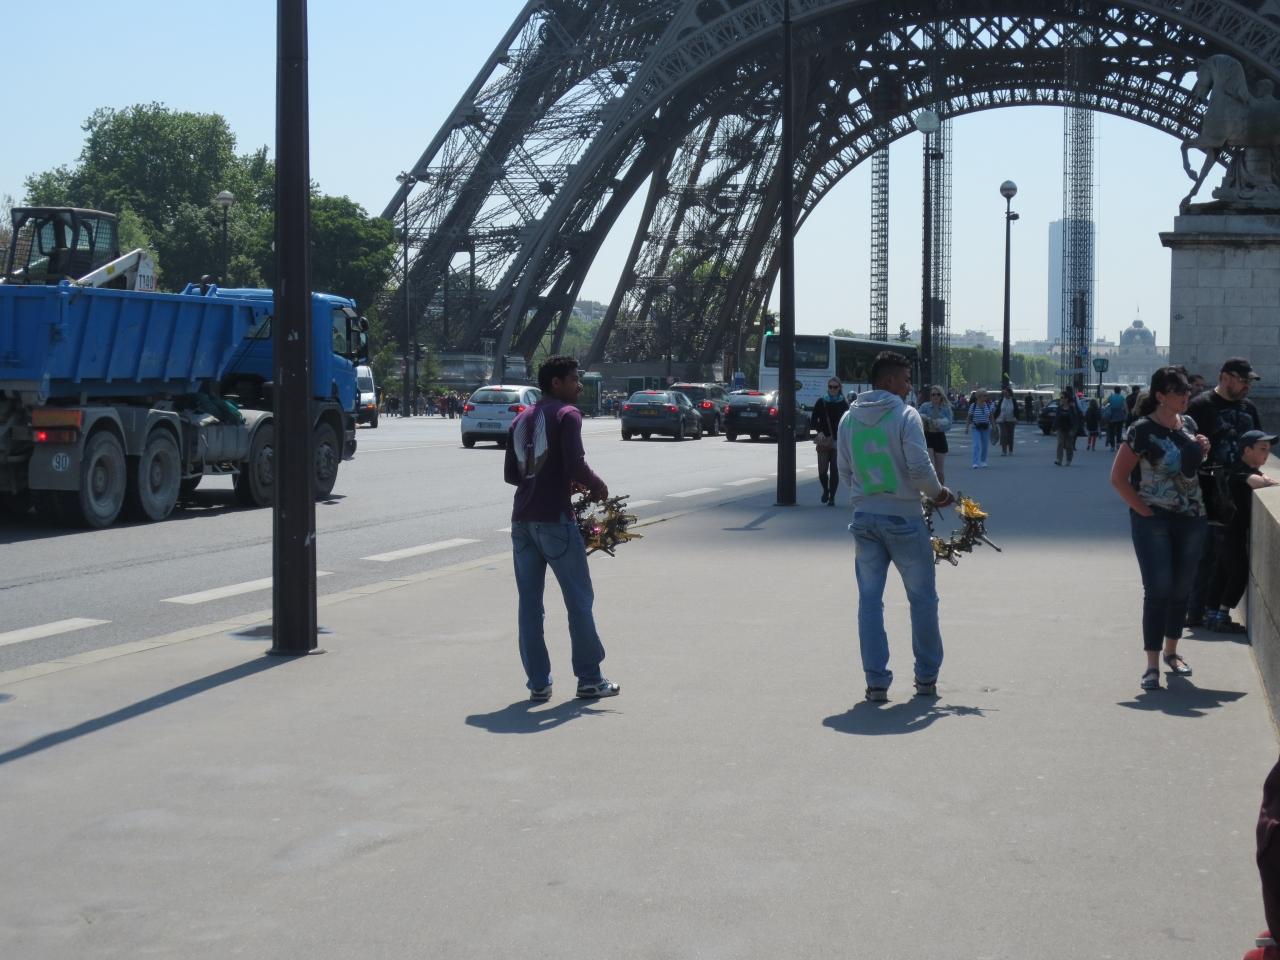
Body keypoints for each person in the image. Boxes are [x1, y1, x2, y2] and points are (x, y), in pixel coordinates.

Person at [837, 351, 954, 702]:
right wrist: (938, 493)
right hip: (904, 518)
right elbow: (919, 468)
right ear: (888, 381)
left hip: (864, 518)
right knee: (922, 599)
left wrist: (865, 498)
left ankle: (876, 682)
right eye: (905, 380)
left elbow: (845, 472)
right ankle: (926, 677)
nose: (909, 387)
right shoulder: (906, 415)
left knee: (870, 602)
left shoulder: (848, 419)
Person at [504, 356, 619, 702]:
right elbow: (576, 464)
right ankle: (589, 679)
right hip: (555, 519)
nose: (579, 385)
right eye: (573, 379)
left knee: (529, 606)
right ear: (556, 383)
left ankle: (538, 683)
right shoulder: (568, 415)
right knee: (579, 601)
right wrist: (598, 486)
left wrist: (555, 481)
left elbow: (513, 475)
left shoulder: (521, 418)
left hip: (522, 520)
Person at [1108, 366, 1210, 691]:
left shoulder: (1189, 424)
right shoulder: (1141, 430)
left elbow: (1190, 470)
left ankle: (1172, 653)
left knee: (1181, 589)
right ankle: (1151, 665)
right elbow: (1118, 478)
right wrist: (1145, 512)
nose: (1186, 395)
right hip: (1154, 520)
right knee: (1158, 590)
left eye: (1187, 390)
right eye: (1179, 391)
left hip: (1192, 516)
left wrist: (1202, 449)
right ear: (1160, 396)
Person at [1185, 357, 1264, 625]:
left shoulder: (1249, 408)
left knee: (1227, 558)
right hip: (1207, 491)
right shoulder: (1200, 407)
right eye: (1243, 381)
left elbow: (1258, 444)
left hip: (1240, 493)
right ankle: (1195, 612)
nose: (1247, 386)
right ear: (1225, 377)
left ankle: (1209, 612)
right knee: (1207, 554)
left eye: (1249, 381)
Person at [1204, 430, 1279, 633]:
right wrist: (1269, 481)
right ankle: (1221, 616)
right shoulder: (1239, 470)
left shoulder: (1237, 466)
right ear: (1247, 450)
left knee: (1222, 572)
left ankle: (1211, 615)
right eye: (1262, 449)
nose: (1267, 453)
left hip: (1223, 530)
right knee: (1238, 574)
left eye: (1268, 449)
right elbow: (1255, 481)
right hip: (1230, 532)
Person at [810, 377, 849, 505]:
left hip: (838, 441)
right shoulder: (821, 402)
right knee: (822, 471)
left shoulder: (844, 404)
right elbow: (813, 420)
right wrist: (819, 431)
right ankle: (825, 490)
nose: (832, 389)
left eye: (835, 387)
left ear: (839, 388)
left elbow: (848, 423)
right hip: (823, 440)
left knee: (834, 470)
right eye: (830, 387)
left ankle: (832, 497)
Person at [918, 385, 953, 484]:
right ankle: (931, 490)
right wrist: (925, 419)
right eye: (933, 394)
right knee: (931, 467)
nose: (935, 396)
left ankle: (941, 490)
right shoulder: (925, 406)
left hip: (939, 437)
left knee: (939, 471)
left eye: (938, 394)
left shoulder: (946, 409)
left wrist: (938, 424)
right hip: (927, 437)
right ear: (930, 396)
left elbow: (949, 425)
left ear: (941, 396)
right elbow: (917, 417)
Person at [1053, 385, 1084, 465]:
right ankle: (1059, 460)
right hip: (1061, 428)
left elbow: (1075, 419)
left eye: (1063, 397)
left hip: (1069, 428)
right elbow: (1056, 418)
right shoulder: (1059, 408)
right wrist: (1054, 428)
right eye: (1061, 398)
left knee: (1068, 445)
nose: (1061, 399)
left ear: (1067, 399)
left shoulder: (1072, 408)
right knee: (1060, 443)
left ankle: (1068, 459)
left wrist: (1074, 430)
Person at [964, 388, 994, 468]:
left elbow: (991, 417)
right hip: (976, 428)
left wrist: (994, 426)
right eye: (984, 395)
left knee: (985, 445)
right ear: (979, 396)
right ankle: (975, 462)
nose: (986, 397)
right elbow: (969, 417)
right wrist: (966, 428)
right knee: (976, 445)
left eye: (986, 395)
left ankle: (983, 461)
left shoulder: (988, 405)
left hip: (986, 428)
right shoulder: (973, 406)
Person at [994, 384, 1018, 456]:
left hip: (1011, 420)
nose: (1005, 394)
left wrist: (1017, 418)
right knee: (1004, 435)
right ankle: (1004, 451)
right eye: (1004, 393)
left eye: (1006, 392)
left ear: (1009, 393)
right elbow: (998, 410)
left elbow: (1016, 410)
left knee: (1010, 435)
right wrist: (994, 418)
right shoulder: (1001, 400)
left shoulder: (1013, 400)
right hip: (1002, 420)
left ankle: (1010, 450)